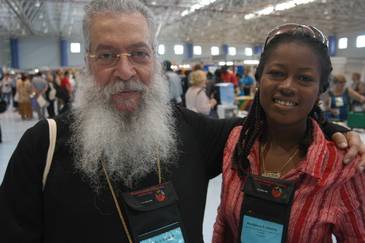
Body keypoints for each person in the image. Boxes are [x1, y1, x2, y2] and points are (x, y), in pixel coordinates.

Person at [0, 2, 364, 243]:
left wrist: (336, 132)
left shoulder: (191, 132)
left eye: (139, 53)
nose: (125, 70)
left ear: (155, 59)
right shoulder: (42, 148)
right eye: (107, 54)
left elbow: (272, 121)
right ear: (87, 62)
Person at [213, 24, 365, 243]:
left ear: (320, 90)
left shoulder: (343, 165)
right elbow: (224, 224)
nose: (287, 86)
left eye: (304, 78)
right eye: (277, 73)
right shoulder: (237, 142)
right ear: (259, 78)